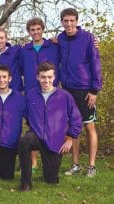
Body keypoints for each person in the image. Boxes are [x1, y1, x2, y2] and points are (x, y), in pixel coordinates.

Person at [19, 62, 82, 191]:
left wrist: (70, 138)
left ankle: (49, 173)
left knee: (51, 180)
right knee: (24, 141)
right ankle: (26, 183)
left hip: (55, 141)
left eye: (49, 77)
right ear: (37, 77)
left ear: (54, 77)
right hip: (36, 136)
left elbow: (76, 118)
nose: (46, 80)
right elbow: (24, 112)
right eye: (43, 77)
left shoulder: (65, 96)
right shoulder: (31, 95)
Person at [58, 8, 102, 177]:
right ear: (62, 22)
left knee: (89, 126)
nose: (68, 24)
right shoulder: (61, 39)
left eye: (71, 20)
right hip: (67, 89)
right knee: (72, 127)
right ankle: (75, 164)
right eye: (65, 21)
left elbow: (95, 63)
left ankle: (91, 166)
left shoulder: (88, 38)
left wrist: (94, 90)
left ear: (76, 21)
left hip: (85, 89)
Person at [20, 17, 60, 173]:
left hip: (50, 92)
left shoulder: (53, 46)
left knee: (51, 123)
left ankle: (49, 155)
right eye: (32, 30)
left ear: (43, 29)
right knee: (32, 124)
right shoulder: (24, 49)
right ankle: (34, 161)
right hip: (32, 91)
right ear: (29, 32)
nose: (35, 32)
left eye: (38, 29)